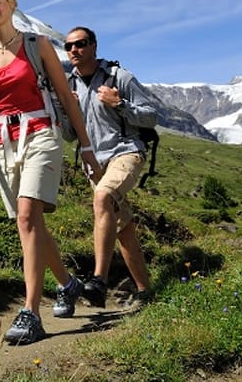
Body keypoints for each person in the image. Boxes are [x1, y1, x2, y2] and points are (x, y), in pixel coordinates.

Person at [0, 0, 101, 345]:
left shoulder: (38, 46)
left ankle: (31, 313)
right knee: (31, 222)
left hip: (41, 134)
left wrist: (85, 146)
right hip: (3, 142)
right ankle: (68, 284)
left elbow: (66, 96)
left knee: (25, 217)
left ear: (12, 5)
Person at [64, 26, 156, 309]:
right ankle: (145, 291)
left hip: (126, 153)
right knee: (122, 226)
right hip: (94, 162)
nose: (73, 51)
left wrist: (120, 104)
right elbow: (70, 135)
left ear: (93, 46)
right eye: (68, 47)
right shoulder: (69, 85)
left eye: (79, 44)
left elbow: (151, 116)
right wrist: (69, 111)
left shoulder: (120, 77)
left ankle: (98, 280)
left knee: (103, 197)